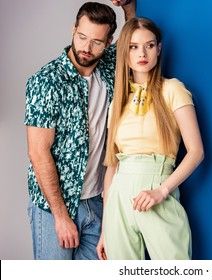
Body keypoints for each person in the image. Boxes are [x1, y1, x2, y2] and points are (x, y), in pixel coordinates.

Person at [24, 0, 137, 260]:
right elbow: (38, 152)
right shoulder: (46, 81)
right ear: (73, 29)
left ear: (108, 42)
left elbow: (130, 40)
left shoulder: (108, 68)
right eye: (82, 37)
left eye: (97, 42)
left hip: (97, 202)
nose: (86, 48)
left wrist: (128, 7)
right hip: (54, 207)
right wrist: (61, 216)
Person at [96, 17, 204, 260]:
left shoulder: (173, 89)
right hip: (119, 199)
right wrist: (105, 228)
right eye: (133, 46)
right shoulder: (117, 103)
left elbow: (196, 151)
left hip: (157, 190)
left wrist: (162, 191)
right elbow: (112, 166)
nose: (142, 53)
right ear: (125, 53)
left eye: (149, 45)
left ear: (159, 49)